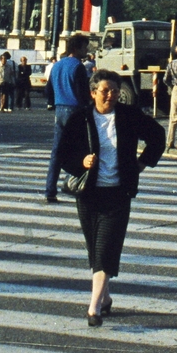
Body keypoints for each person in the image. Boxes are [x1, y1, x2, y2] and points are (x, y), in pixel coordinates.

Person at [55, 69, 166, 326]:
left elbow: (157, 136)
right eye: (105, 91)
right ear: (93, 93)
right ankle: (104, 298)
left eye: (115, 91)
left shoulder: (128, 116)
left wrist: (141, 164)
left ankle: (93, 308)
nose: (111, 95)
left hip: (118, 191)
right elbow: (63, 153)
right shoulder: (80, 118)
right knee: (95, 247)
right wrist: (82, 161)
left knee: (105, 248)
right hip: (89, 193)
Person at [44, 35, 92, 202]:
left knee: (57, 151)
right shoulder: (78, 67)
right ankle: (77, 185)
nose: (86, 50)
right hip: (75, 110)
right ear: (76, 48)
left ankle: (50, 189)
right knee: (81, 150)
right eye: (85, 47)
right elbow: (82, 93)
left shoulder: (57, 65)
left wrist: (55, 100)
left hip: (59, 109)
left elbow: (48, 91)